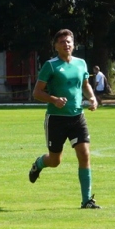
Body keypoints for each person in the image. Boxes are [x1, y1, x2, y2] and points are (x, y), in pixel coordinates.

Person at [28, 29, 100, 209]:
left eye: (68, 41)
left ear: (73, 44)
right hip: (56, 119)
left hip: (77, 117)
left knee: (84, 155)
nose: (66, 44)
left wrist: (92, 97)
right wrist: (54, 100)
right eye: (62, 42)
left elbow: (85, 85)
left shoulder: (81, 64)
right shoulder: (50, 66)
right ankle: (39, 163)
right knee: (55, 161)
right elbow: (36, 92)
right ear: (55, 46)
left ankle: (87, 200)